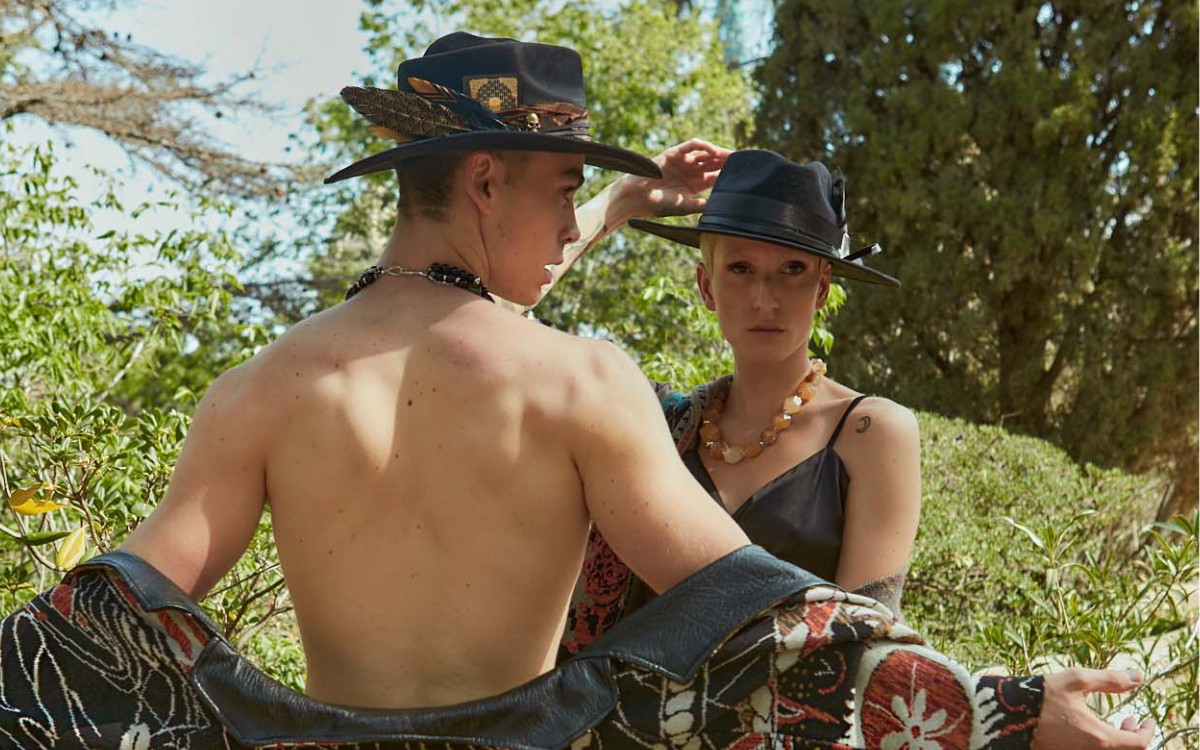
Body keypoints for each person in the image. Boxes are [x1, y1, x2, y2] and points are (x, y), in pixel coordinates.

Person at [0, 32, 1154, 750]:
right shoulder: (581, 383)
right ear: (485, 181)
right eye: (563, 190)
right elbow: (765, 620)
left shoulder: (261, 388)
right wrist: (1007, 708)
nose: (570, 224)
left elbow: (103, 617)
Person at [556, 151, 919, 658]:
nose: (765, 299)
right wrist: (619, 202)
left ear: (822, 288)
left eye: (792, 269)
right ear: (706, 286)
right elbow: (491, 320)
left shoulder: (871, 432)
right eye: (741, 268)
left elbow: (867, 647)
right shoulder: (655, 423)